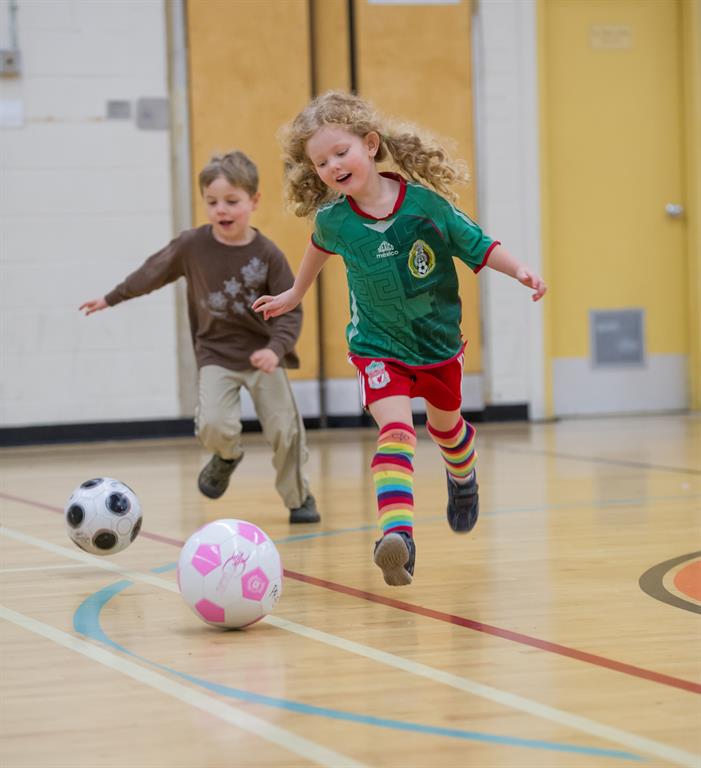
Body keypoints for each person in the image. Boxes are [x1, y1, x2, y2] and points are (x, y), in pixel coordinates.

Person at [253, 91, 546, 583]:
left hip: (437, 346)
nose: (332, 166)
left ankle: (463, 473)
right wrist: (293, 293)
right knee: (397, 431)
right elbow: (317, 250)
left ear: (370, 145)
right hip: (376, 348)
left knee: (447, 429)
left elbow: (478, 244)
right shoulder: (335, 219)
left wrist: (520, 271)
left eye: (340, 152)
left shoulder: (426, 207)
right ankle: (398, 538)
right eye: (321, 162)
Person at [80, 150, 319, 524]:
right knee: (213, 425)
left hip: (263, 357)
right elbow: (152, 271)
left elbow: (290, 312)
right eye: (212, 202)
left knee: (286, 430)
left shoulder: (269, 254)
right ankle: (226, 456)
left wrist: (276, 350)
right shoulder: (193, 245)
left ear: (254, 201)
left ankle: (299, 498)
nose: (221, 210)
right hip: (216, 354)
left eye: (232, 201)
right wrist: (112, 297)